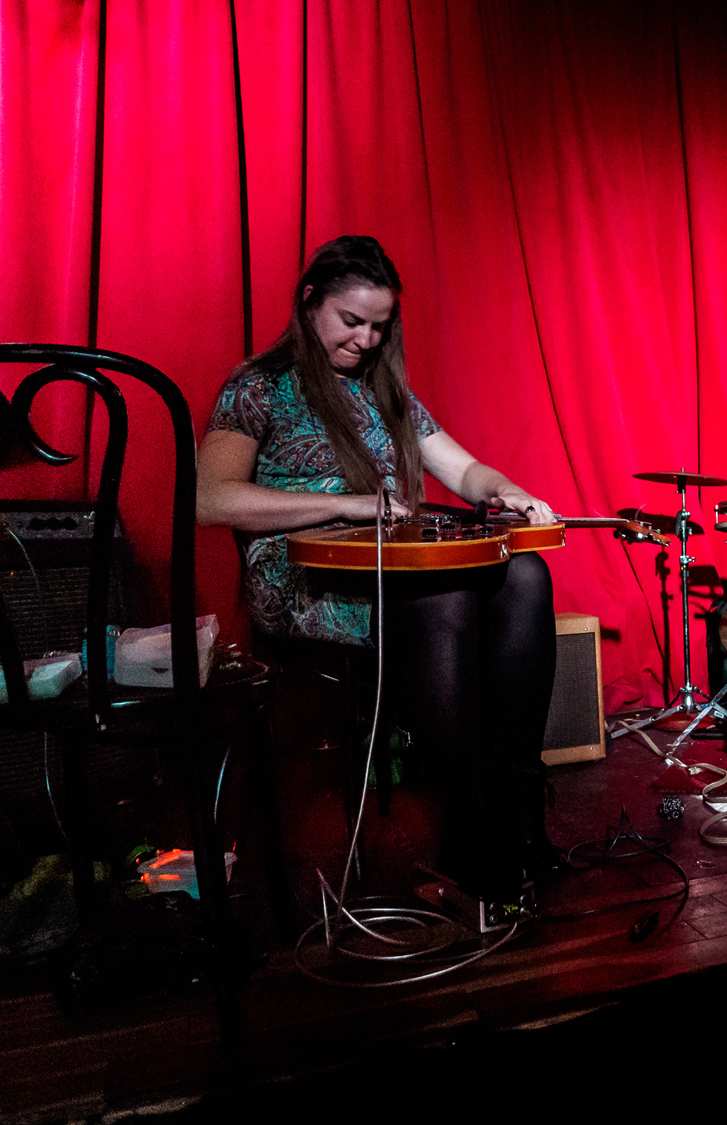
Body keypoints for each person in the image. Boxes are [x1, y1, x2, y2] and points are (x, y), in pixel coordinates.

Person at [197, 235, 558, 907]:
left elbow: (465, 470)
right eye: (351, 321)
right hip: (303, 576)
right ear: (310, 303)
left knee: (525, 575)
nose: (365, 340)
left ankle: (520, 807)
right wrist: (347, 503)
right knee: (445, 598)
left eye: (378, 327)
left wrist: (507, 492)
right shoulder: (256, 387)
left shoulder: (383, 393)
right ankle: (468, 829)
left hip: (392, 566)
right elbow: (211, 498)